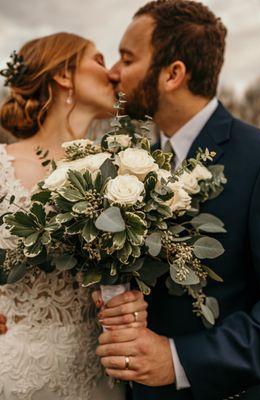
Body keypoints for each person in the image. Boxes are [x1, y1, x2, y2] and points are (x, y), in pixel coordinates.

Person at [95, 1, 260, 399]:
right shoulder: (130, 164)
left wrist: (178, 359)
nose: (113, 72)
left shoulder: (258, 158)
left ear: (173, 74)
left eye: (127, 57)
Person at [0, 32, 147, 400]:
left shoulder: (125, 173)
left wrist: (135, 302)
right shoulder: (1, 165)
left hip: (104, 373)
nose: (113, 74)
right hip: (19, 376)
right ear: (64, 75)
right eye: (98, 60)